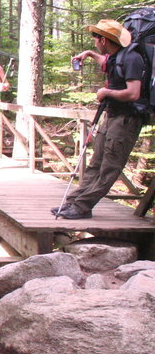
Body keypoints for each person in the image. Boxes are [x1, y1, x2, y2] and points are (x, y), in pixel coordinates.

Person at [51, 19, 146, 219]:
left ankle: (82, 206)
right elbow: (109, 64)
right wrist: (90, 54)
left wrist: (106, 92)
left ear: (103, 40)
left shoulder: (132, 58)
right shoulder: (116, 56)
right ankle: (73, 203)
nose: (94, 42)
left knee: (109, 167)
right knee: (95, 164)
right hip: (111, 116)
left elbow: (133, 93)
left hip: (126, 120)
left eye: (95, 39)